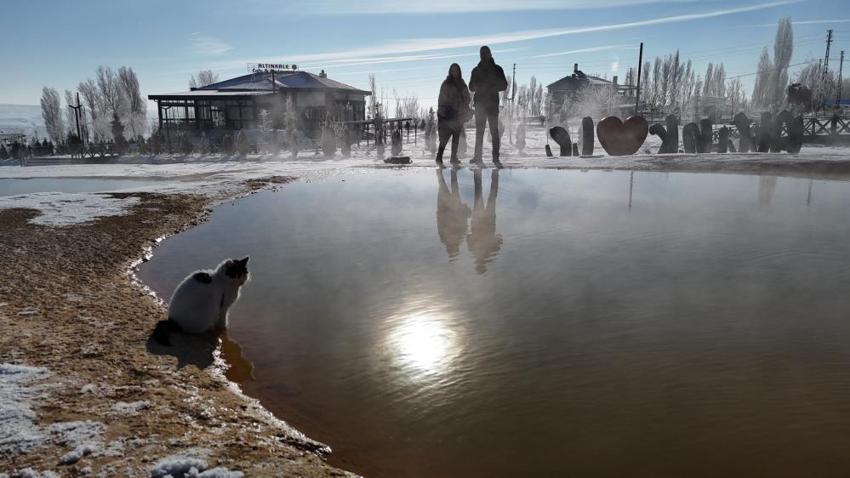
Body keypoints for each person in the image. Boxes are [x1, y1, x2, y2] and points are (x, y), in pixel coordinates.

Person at [469, 45, 508, 166]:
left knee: (494, 132)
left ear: (490, 54)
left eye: (486, 53)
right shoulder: (476, 70)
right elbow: (471, 86)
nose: (484, 55)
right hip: (480, 105)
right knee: (479, 132)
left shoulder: (497, 69)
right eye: (482, 53)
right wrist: (477, 86)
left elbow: (504, 85)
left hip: (492, 105)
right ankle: (477, 157)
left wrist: (491, 87)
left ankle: (495, 157)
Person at [436, 63, 472, 165]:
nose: (455, 72)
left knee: (456, 137)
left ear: (459, 71)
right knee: (445, 137)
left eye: (456, 70)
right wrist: (442, 111)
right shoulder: (446, 83)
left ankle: (453, 157)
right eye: (453, 70)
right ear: (450, 72)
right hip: (448, 114)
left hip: (459, 115)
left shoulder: (462, 83)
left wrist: (464, 106)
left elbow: (467, 98)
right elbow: (441, 99)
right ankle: (439, 156)